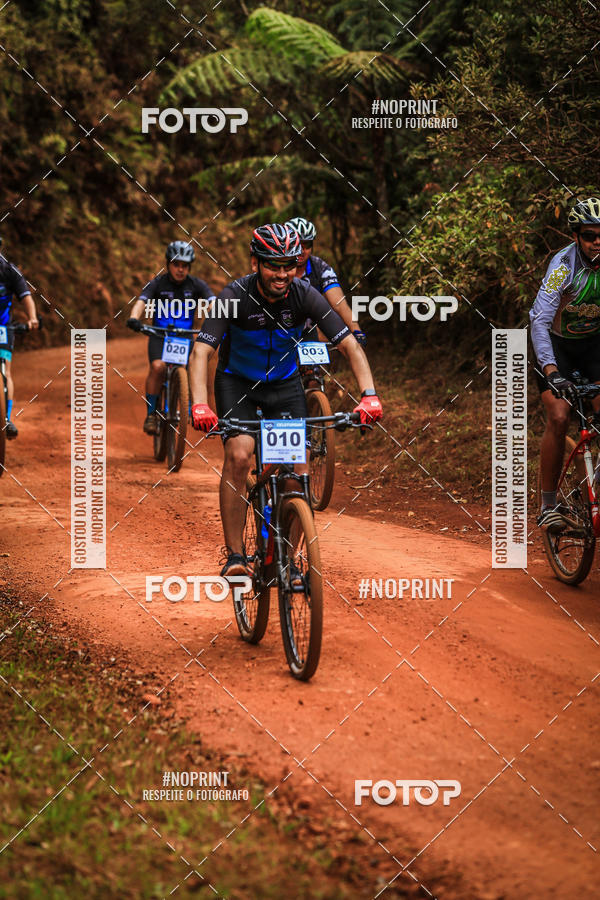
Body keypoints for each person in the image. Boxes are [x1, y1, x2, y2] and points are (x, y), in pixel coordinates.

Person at [188, 222, 383, 577]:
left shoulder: (305, 294)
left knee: (297, 476)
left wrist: (368, 396)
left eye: (288, 266)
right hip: (238, 385)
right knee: (239, 453)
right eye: (272, 265)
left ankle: (286, 560)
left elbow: (349, 345)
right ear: (254, 264)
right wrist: (199, 405)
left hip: (284, 386)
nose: (281, 274)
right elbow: (201, 353)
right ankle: (234, 556)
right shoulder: (232, 298)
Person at [530, 197, 600, 531]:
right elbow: (540, 320)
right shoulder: (563, 265)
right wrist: (551, 371)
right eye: (589, 235)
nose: (597, 241)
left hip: (593, 347)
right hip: (557, 347)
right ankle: (547, 505)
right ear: (576, 237)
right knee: (559, 416)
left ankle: (587, 490)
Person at [127, 241, 214, 435]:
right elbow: (142, 301)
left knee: (191, 369)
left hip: (184, 338)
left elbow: (212, 303)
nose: (180, 269)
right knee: (158, 367)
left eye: (185, 265)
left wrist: (218, 319)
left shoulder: (196, 285)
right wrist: (134, 317)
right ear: (168, 264)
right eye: (176, 264)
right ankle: (151, 413)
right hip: (160, 335)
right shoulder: (157, 283)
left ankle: (189, 404)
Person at [285, 216, 366, 345]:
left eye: (306, 246)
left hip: (310, 328)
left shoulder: (320, 267)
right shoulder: (277, 267)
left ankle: (318, 365)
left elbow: (339, 303)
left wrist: (356, 331)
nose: (301, 251)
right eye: (296, 246)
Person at [0, 238, 38, 439]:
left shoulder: (9, 271)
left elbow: (26, 297)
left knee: (5, 367)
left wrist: (32, 318)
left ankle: (6, 419)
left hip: (3, 326)